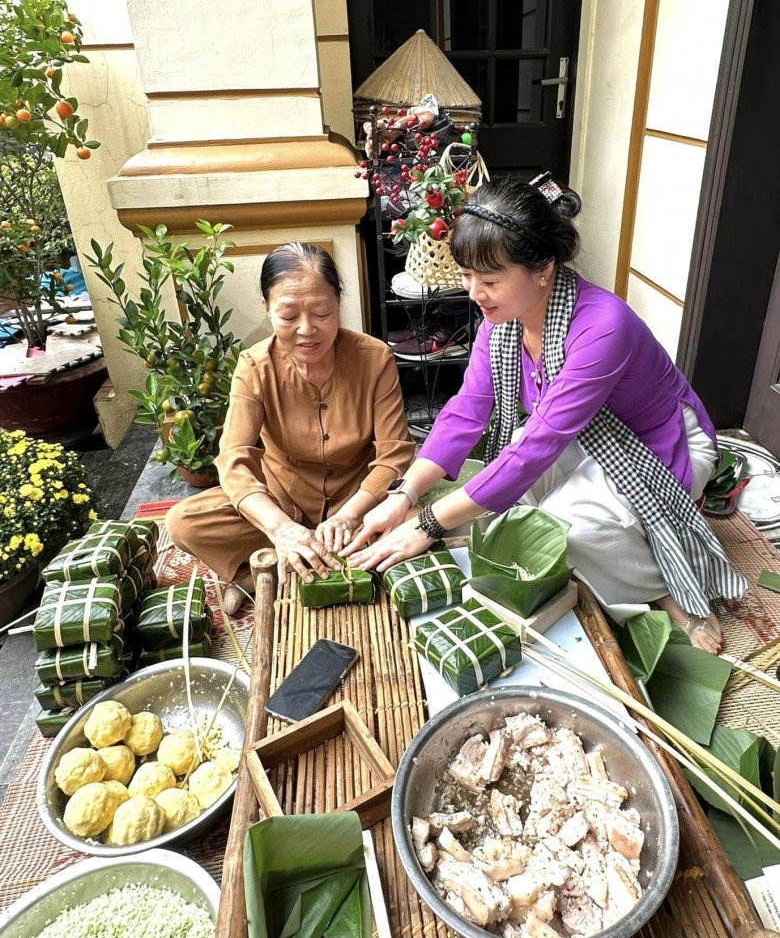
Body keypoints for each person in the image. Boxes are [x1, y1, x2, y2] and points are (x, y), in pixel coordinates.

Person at [344, 178, 747, 653]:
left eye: (490, 280)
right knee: (518, 512)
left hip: (660, 442)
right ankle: (623, 555)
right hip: (582, 438)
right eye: (469, 276)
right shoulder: (501, 324)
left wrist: (426, 523)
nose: (475, 293)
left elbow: (534, 449)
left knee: (559, 529)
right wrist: (404, 494)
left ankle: (666, 590)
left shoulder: (603, 326)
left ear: (543, 269)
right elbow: (465, 413)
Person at [166, 242, 415, 612]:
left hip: (358, 501)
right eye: (287, 315)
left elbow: (395, 455)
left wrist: (350, 513)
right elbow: (233, 461)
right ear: (267, 309)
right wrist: (281, 527)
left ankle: (280, 566)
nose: (307, 330)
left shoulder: (374, 358)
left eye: (322, 312)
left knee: (418, 524)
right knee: (183, 522)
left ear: (339, 303)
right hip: (283, 499)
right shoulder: (254, 367)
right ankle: (257, 571)